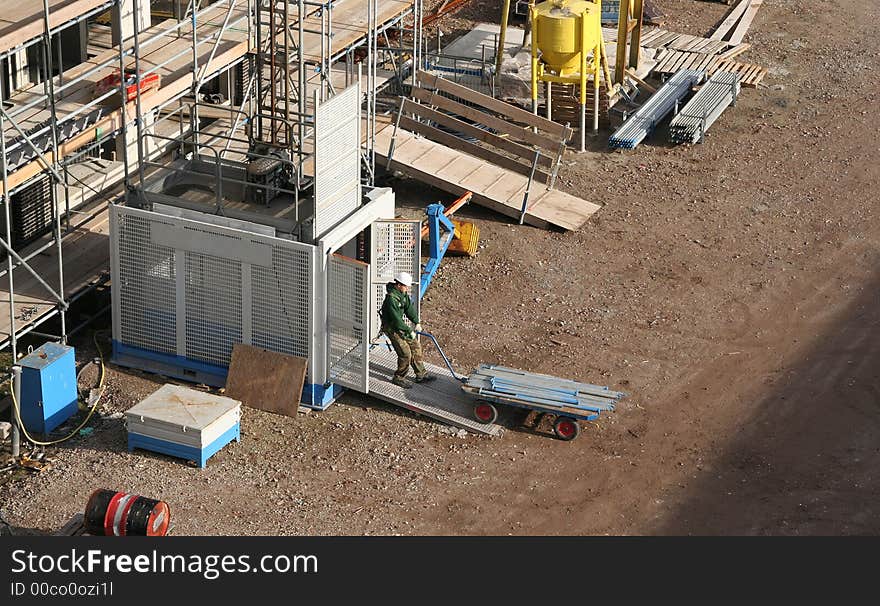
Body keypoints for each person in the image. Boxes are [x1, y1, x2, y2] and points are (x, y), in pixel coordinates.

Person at [380, 272, 435, 388]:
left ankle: (421, 374)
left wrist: (416, 321)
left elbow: (408, 308)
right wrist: (408, 330)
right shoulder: (392, 299)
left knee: (415, 346)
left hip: (400, 327)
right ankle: (399, 377)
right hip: (392, 328)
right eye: (405, 286)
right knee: (405, 353)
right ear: (399, 285)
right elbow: (396, 320)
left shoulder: (402, 294)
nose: (407, 288)